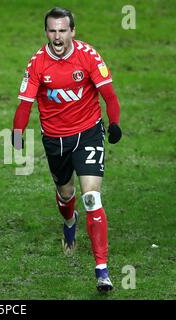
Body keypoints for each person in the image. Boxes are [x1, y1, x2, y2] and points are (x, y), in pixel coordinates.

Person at [12, 7, 122, 292]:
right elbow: (25, 105)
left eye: (62, 30)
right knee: (66, 193)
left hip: (88, 134)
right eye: (52, 30)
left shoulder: (88, 56)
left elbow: (109, 95)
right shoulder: (37, 64)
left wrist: (115, 123)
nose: (57, 36)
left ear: (72, 31)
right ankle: (68, 221)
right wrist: (17, 133)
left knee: (91, 198)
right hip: (55, 139)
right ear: (46, 32)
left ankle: (102, 270)